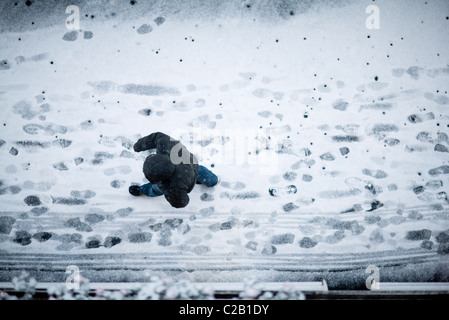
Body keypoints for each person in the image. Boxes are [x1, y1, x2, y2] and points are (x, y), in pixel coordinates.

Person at [129, 132, 218, 208]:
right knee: (200, 171)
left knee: (155, 189)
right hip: (191, 163)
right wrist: (140, 145)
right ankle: (213, 180)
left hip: (186, 176)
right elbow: (157, 137)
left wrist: (179, 196)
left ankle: (143, 190)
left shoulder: (171, 186)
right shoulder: (166, 146)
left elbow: (180, 202)